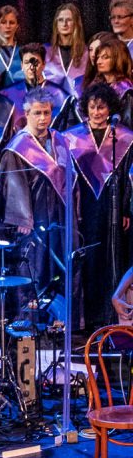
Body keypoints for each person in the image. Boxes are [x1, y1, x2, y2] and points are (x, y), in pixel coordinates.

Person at [0, 89, 73, 302]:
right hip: (34, 218)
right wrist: (23, 218)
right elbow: (12, 185)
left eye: (46, 112)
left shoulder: (59, 139)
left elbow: (70, 176)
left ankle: (60, 323)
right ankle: (30, 323)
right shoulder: (18, 147)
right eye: (37, 113)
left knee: (59, 267)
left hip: (59, 213)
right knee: (35, 270)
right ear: (26, 113)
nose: (43, 118)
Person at [65, 83, 133, 330]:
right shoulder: (72, 137)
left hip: (111, 206)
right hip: (84, 206)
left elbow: (127, 177)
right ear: (86, 109)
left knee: (111, 257)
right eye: (92, 107)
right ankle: (87, 318)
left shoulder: (123, 137)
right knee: (88, 260)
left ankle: (109, 315)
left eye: (101, 107)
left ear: (109, 109)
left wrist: (125, 208)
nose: (96, 112)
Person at [0, 44, 77, 131]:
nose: (31, 67)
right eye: (27, 62)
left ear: (44, 65)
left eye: (35, 62)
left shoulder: (61, 96)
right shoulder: (7, 95)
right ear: (21, 65)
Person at [83, 37, 133, 126]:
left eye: (105, 58)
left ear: (118, 59)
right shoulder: (96, 85)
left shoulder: (126, 90)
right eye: (98, 57)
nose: (98, 62)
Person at [43, 4, 88, 97]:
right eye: (60, 20)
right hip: (51, 106)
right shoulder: (44, 51)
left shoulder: (87, 52)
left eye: (69, 20)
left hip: (79, 105)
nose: (64, 24)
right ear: (56, 24)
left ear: (76, 23)